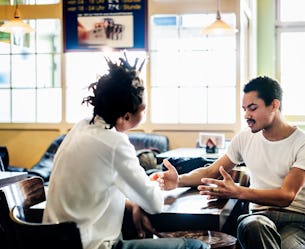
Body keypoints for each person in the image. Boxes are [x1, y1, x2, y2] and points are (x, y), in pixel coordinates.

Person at [42, 52, 208, 249]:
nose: (145, 112)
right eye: (143, 109)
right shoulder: (114, 143)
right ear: (125, 117)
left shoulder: (82, 127)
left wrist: (136, 202)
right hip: (92, 246)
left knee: (132, 229)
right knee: (194, 246)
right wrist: (157, 182)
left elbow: (101, 189)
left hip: (53, 242)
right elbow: (154, 204)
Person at [158, 76, 305, 249]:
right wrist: (179, 180)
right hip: (258, 217)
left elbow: (286, 196)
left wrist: (237, 192)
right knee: (254, 225)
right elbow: (211, 172)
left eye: (252, 108)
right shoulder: (244, 138)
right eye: (244, 109)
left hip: (296, 221)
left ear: (274, 105)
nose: (246, 115)